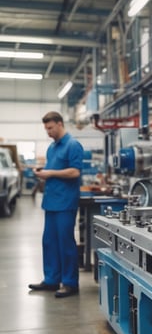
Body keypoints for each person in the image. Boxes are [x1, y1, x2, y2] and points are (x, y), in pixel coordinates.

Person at [29, 111, 84, 298]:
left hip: (65, 203)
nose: (48, 132)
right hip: (51, 202)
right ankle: (52, 280)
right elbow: (53, 171)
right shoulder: (52, 148)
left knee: (65, 243)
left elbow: (75, 172)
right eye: (46, 129)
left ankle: (70, 283)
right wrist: (42, 172)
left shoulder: (73, 145)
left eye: (50, 128)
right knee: (49, 242)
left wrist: (50, 173)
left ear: (60, 124)